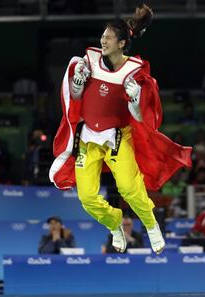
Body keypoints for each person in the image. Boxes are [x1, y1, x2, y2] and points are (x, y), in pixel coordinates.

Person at [49, 4, 192, 254]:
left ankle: (151, 224)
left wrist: (135, 98)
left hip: (117, 138)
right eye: (102, 36)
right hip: (87, 139)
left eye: (109, 37)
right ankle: (114, 224)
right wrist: (78, 82)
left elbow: (139, 117)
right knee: (86, 198)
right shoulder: (89, 61)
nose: (103, 40)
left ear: (122, 43)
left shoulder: (133, 72)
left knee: (128, 187)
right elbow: (75, 96)